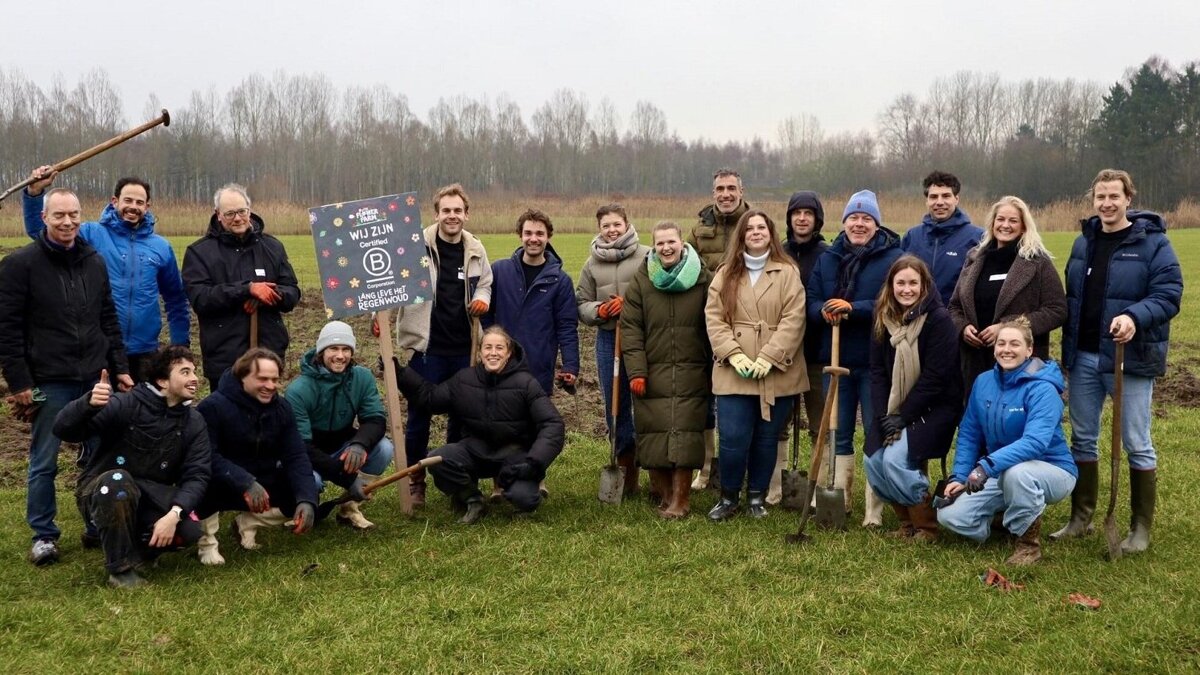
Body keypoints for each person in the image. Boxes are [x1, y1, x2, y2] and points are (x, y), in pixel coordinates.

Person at [0, 186, 133, 566]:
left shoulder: (94, 261)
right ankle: (44, 534)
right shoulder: (20, 265)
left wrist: (120, 369)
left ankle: (96, 521)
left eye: (73, 214)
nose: (67, 222)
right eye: (59, 215)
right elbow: (7, 329)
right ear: (44, 218)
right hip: (48, 381)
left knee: (98, 453)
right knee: (44, 459)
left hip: (94, 377)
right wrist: (20, 382)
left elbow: (108, 318)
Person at [1051, 169, 1182, 553]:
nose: (1107, 203)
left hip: (1130, 359)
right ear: (1093, 200)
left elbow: (1170, 293)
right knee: (1083, 438)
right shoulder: (1083, 242)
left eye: (1114, 196)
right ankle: (1081, 517)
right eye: (1100, 197)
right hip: (1083, 357)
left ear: (1128, 199)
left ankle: (1140, 528)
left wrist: (1134, 317)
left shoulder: (1153, 243)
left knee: (1137, 442)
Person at [53, 347, 210, 588]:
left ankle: (141, 553)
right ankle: (120, 569)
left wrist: (173, 514)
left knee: (187, 530)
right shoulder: (125, 403)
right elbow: (64, 430)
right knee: (118, 481)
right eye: (185, 372)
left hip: (149, 495)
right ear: (162, 381)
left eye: (194, 372)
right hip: (100, 489)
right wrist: (87, 404)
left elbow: (197, 475)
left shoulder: (194, 421)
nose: (194, 378)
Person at [23, 167, 191, 381]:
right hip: (100, 350)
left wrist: (180, 347)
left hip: (145, 351)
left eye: (140, 203)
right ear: (115, 201)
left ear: (147, 207)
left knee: (143, 412)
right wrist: (35, 192)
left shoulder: (161, 247)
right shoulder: (92, 235)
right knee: (102, 411)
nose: (133, 207)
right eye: (127, 200)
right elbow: (40, 231)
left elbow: (176, 300)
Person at [937, 318, 1078, 565]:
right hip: (1001, 471)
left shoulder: (1043, 389)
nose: (1006, 350)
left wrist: (985, 467)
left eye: (1015, 344)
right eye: (1001, 343)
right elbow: (970, 433)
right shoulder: (983, 382)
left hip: (1053, 471)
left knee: (1018, 473)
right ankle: (1007, 520)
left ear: (1029, 350)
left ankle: (1028, 546)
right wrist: (959, 477)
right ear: (994, 348)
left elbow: (1035, 443)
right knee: (950, 516)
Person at [395, 327, 565, 524]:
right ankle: (473, 499)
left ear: (509, 353)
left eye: (499, 348)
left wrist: (534, 463)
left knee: (525, 500)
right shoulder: (464, 379)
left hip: (514, 455)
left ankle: (517, 489)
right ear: (480, 352)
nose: (493, 353)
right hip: (474, 451)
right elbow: (430, 399)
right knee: (436, 460)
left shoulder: (526, 383)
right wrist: (401, 373)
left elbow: (553, 425)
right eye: (488, 347)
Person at [806, 190, 903, 526]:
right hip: (835, 360)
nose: (859, 224)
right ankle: (840, 497)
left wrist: (852, 309)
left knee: (875, 430)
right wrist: (824, 311)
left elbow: (893, 301)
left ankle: (873, 510)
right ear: (844, 221)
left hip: (876, 360)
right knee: (839, 430)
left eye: (866, 219)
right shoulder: (828, 258)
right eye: (854, 218)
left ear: (876, 224)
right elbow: (812, 300)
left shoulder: (893, 258)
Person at [392, 183, 492, 507]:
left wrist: (481, 299)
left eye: (457, 211)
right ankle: (416, 481)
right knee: (419, 418)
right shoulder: (415, 246)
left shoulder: (476, 248)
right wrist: (379, 319)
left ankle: (454, 479)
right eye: (446, 210)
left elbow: (486, 284)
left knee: (460, 419)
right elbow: (395, 284)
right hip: (427, 349)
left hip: (465, 350)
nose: (452, 216)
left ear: (466, 214)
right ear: (436, 214)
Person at [705, 210, 807, 521]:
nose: (756, 232)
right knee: (734, 436)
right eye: (749, 228)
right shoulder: (726, 273)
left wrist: (769, 357)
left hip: (777, 369)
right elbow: (714, 316)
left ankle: (756, 497)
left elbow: (794, 318)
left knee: (767, 436)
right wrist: (732, 353)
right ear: (741, 235)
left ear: (771, 233)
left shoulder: (788, 272)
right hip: (734, 369)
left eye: (761, 227)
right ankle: (729, 495)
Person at [863, 257, 962, 542]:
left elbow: (935, 378)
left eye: (913, 283)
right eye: (900, 283)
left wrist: (902, 418)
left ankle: (927, 526)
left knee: (894, 460)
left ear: (924, 286)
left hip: (935, 408)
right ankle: (907, 523)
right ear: (891, 286)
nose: (907, 289)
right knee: (873, 460)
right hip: (896, 409)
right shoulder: (883, 318)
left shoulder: (939, 320)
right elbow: (878, 371)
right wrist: (884, 416)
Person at [621, 221, 713, 518]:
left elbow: (715, 322)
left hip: (692, 370)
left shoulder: (702, 279)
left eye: (671, 241)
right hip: (652, 370)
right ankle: (665, 494)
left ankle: (681, 500)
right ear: (654, 246)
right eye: (660, 243)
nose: (666, 248)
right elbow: (631, 329)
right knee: (654, 432)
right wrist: (636, 371)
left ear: (682, 243)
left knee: (685, 432)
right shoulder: (642, 281)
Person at [194, 349, 317, 564]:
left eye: (275, 380)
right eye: (262, 379)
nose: (270, 386)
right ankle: (207, 541)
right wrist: (245, 482)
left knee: (304, 490)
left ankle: (247, 523)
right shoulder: (212, 407)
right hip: (223, 478)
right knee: (202, 483)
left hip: (263, 479)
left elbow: (296, 455)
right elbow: (206, 456)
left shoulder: (282, 408)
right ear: (242, 376)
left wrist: (307, 499)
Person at [181, 183, 301, 382]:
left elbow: (292, 292)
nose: (237, 218)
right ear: (217, 214)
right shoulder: (199, 252)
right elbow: (201, 299)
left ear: (249, 209)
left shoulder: (272, 247)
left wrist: (269, 295)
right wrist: (247, 290)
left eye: (241, 211)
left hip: (268, 354)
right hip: (224, 359)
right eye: (229, 214)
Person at [948, 196, 1066, 393]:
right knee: (979, 419)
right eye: (1000, 219)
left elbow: (1057, 310)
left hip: (1020, 364)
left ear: (1023, 227)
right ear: (992, 223)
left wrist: (1006, 328)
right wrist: (962, 327)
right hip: (975, 362)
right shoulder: (975, 258)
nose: (1005, 225)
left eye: (1013, 221)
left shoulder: (1037, 263)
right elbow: (954, 306)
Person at [284, 321, 394, 529]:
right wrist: (347, 478)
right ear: (321, 352)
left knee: (384, 449)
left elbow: (375, 418)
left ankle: (349, 508)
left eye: (346, 349)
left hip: (342, 445)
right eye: (333, 348)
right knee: (312, 482)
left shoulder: (362, 377)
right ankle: (303, 507)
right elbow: (302, 446)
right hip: (309, 453)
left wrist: (359, 444)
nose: (340, 356)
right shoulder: (298, 390)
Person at [576, 204, 650, 496]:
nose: (612, 230)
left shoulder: (646, 255)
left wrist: (630, 306)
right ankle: (625, 466)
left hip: (642, 339)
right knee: (615, 405)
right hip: (608, 339)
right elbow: (581, 303)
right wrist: (601, 309)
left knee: (646, 402)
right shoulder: (591, 263)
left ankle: (653, 468)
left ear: (626, 224)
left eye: (616, 224)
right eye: (606, 225)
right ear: (599, 228)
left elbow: (657, 293)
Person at [687, 168, 749, 488]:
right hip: (706, 324)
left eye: (731, 188)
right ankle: (707, 467)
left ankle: (738, 466)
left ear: (741, 190)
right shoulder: (699, 230)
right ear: (713, 193)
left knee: (739, 395)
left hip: (745, 326)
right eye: (719, 189)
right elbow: (687, 268)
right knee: (706, 396)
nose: (725, 194)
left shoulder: (755, 224)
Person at [488, 208, 579, 396]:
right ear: (520, 235)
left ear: (548, 236)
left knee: (533, 422)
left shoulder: (561, 281)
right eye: (528, 233)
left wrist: (570, 365)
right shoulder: (499, 271)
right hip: (500, 365)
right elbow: (485, 315)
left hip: (538, 368)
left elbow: (566, 327)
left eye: (540, 233)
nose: (534, 239)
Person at [778, 190, 830, 505]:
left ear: (816, 219)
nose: (802, 218)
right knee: (780, 422)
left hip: (816, 351)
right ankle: (776, 485)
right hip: (783, 353)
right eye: (796, 213)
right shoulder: (778, 253)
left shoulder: (827, 254)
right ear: (789, 218)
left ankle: (816, 486)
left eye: (808, 213)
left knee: (819, 421)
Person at [900, 170, 983, 305]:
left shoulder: (977, 237)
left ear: (956, 199)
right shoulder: (912, 236)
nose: (939, 202)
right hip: (915, 317)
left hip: (956, 320)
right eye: (933, 197)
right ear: (927, 201)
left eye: (946, 196)